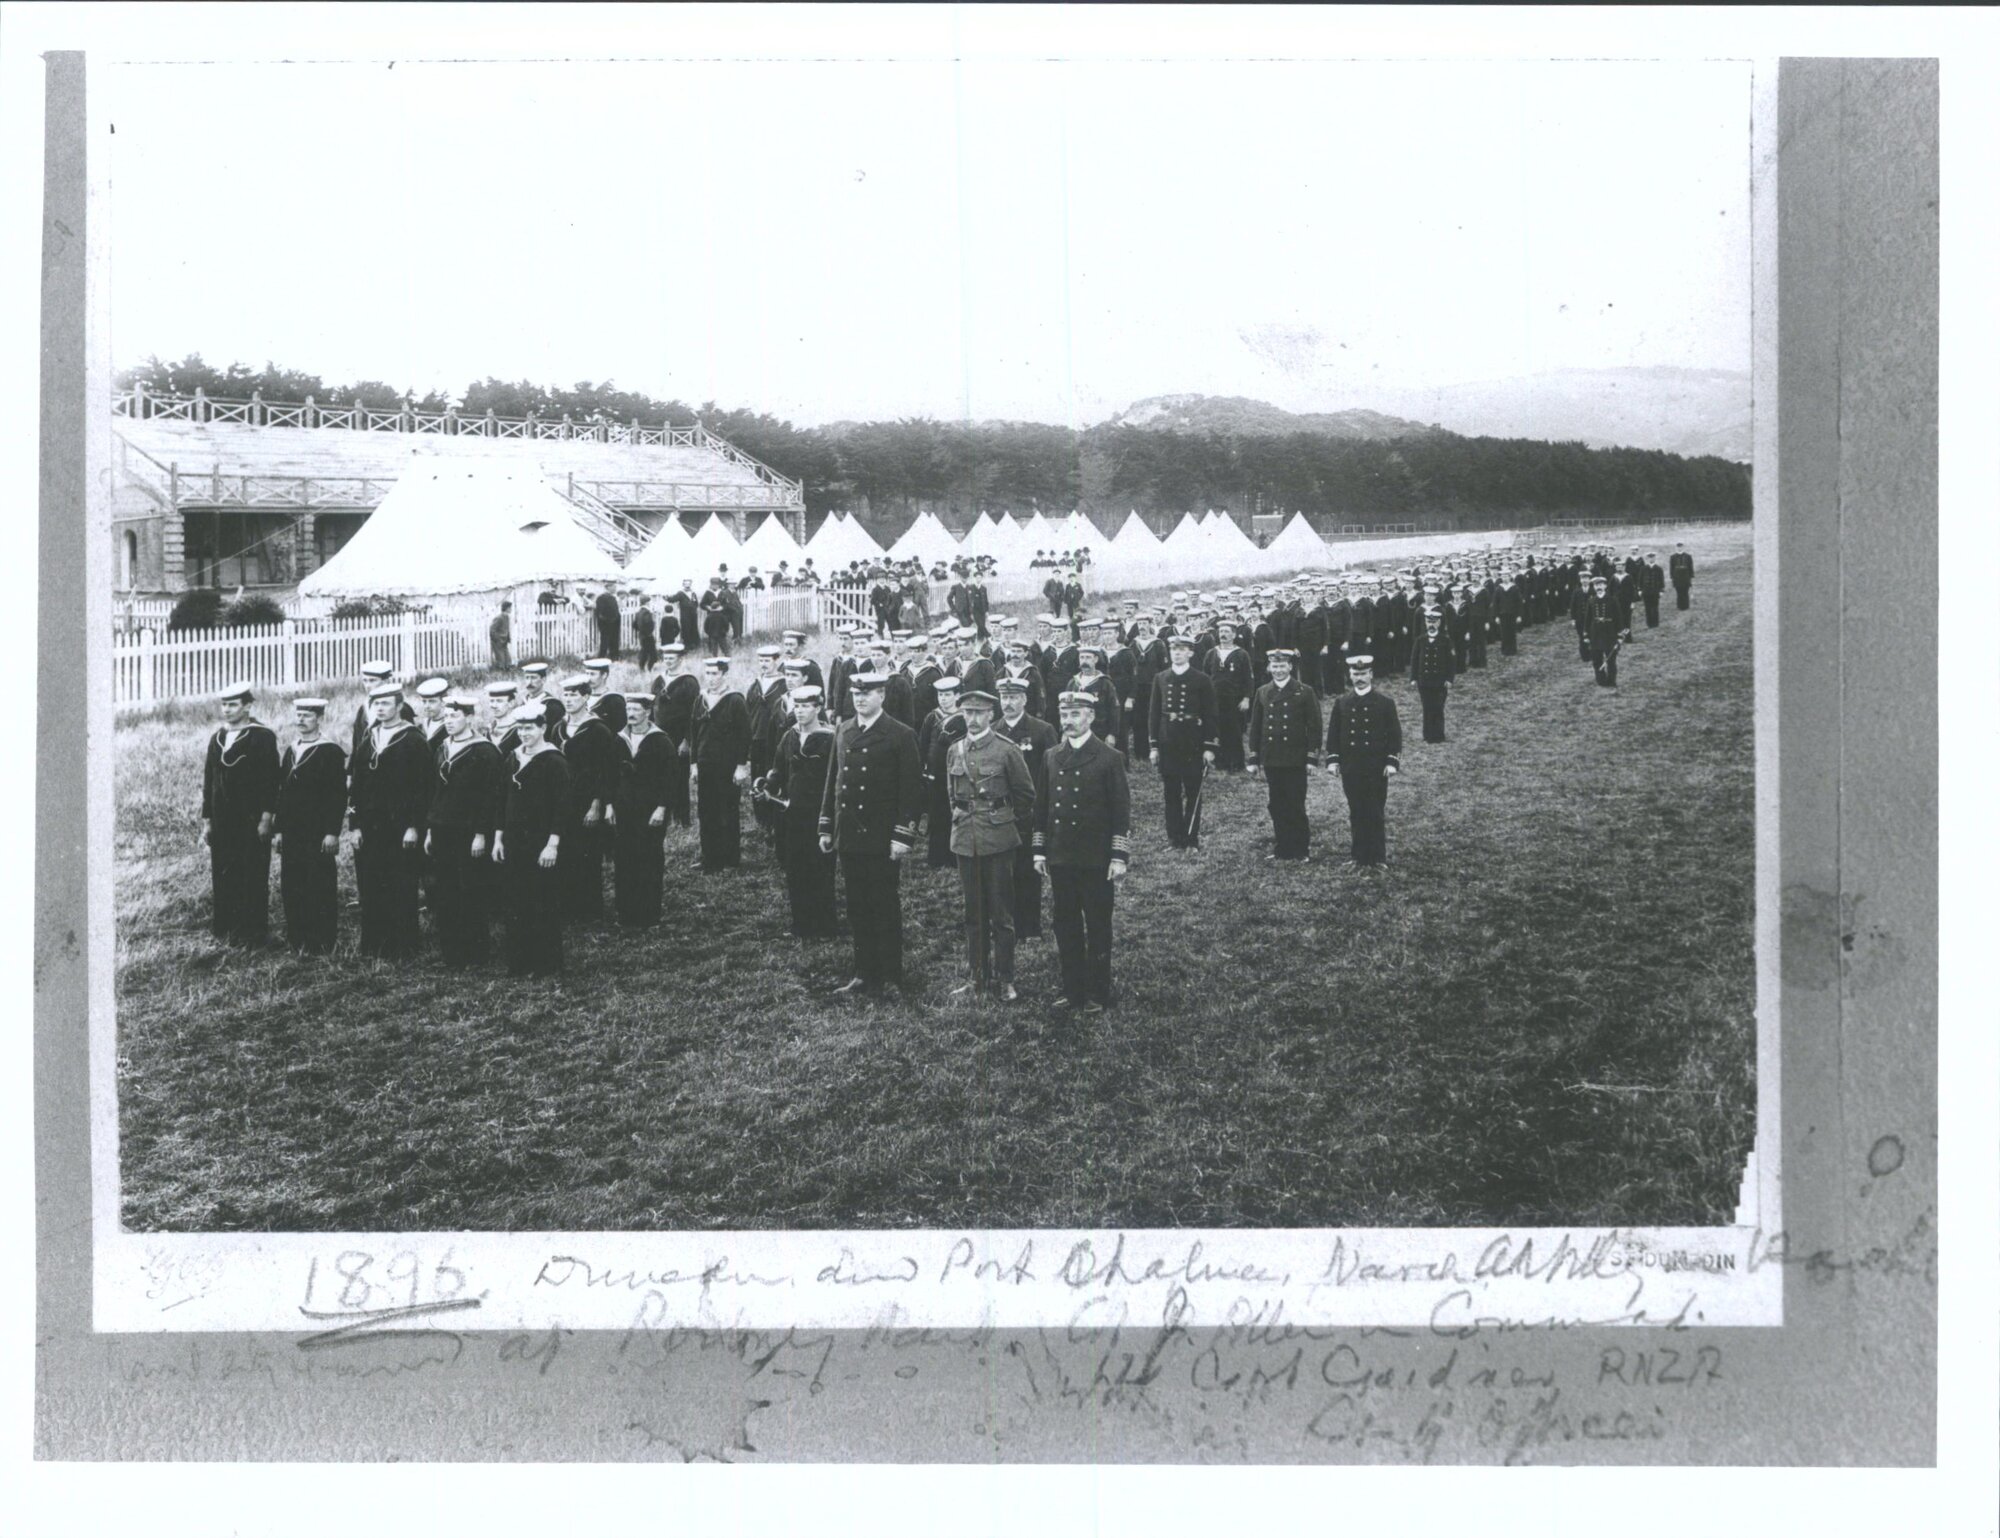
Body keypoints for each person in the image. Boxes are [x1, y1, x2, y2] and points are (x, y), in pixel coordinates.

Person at [819, 668, 924, 997]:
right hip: (850, 832)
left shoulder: (900, 734)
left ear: (882, 696)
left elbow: (911, 791)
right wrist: (826, 824)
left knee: (884, 904)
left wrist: (902, 835)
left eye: (867, 693)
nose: (860, 699)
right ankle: (864, 973)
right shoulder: (845, 730)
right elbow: (833, 781)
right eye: (855, 694)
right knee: (856, 905)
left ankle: (891, 974)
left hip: (881, 835)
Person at [1035, 691, 1132, 1014]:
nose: (1069, 722)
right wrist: (1039, 850)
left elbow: (1121, 812)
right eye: (1064, 715)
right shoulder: (1051, 756)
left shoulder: (1108, 757)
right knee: (1065, 924)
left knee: (1098, 923)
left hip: (1095, 859)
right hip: (1061, 855)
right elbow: (1042, 806)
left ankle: (1097, 992)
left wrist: (1118, 857)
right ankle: (1071, 988)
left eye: (1076, 715)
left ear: (1091, 716)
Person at [946, 690, 1037, 1002]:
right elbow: (952, 795)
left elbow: (1026, 795)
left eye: (978, 713)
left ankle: (1006, 978)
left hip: (998, 841)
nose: (972, 719)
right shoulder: (955, 749)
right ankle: (977, 976)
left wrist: (1005, 822)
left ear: (990, 715)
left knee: (1001, 915)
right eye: (967, 713)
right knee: (974, 914)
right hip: (965, 841)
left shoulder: (1006, 750)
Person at [349, 679, 434, 957]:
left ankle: (402, 946)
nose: (380, 709)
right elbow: (357, 788)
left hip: (400, 827)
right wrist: (355, 826)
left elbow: (423, 789)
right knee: (373, 885)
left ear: (399, 706)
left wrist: (413, 826)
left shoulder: (413, 740)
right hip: (371, 827)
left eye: (386, 703)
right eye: (376, 704)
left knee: (400, 884)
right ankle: (375, 945)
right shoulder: (368, 740)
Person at [199, 679, 281, 945]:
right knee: (224, 871)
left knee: (252, 873)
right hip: (223, 822)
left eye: (233, 704)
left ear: (247, 707)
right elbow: (209, 781)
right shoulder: (218, 739)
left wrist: (266, 817)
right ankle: (226, 927)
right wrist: (208, 821)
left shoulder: (262, 737)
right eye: (224, 704)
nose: (227, 710)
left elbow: (271, 780)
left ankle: (253, 931)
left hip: (250, 819)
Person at [426, 693, 503, 967]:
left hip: (470, 834)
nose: (449, 721)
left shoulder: (485, 751)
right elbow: (435, 791)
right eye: (446, 716)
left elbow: (491, 798)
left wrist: (482, 834)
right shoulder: (442, 748)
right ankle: (452, 952)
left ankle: (476, 952)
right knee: (445, 890)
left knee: (470, 889)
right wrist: (429, 830)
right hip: (442, 829)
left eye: (455, 716)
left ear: (469, 717)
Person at [493, 703, 568, 978]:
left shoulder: (554, 761)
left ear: (543, 728)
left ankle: (545, 963)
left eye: (529, 728)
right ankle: (519, 961)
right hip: (514, 840)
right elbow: (501, 800)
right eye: (520, 728)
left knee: (541, 900)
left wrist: (553, 844)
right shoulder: (512, 758)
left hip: (541, 841)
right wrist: (498, 839)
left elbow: (562, 807)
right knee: (515, 900)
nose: (524, 734)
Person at [272, 696, 345, 954]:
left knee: (319, 885)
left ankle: (322, 942)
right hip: (292, 831)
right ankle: (297, 938)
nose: (301, 720)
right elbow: (282, 792)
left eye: (307, 716)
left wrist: (331, 832)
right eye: (298, 715)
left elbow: (337, 796)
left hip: (317, 832)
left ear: (319, 719)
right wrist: (278, 829)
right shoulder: (292, 750)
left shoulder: (330, 751)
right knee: (293, 884)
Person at [770, 685, 839, 939]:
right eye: (796, 706)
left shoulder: (829, 738)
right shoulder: (789, 736)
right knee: (795, 868)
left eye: (806, 706)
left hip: (819, 814)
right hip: (792, 813)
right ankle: (801, 923)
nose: (799, 712)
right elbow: (778, 768)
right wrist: (769, 785)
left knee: (820, 868)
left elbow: (835, 779)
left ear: (818, 707)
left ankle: (824, 926)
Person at [994, 675, 1057, 940]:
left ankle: (1030, 927)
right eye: (1004, 698)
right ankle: (1003, 925)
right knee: (1000, 871)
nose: (1007, 703)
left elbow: (1053, 772)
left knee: (1027, 870)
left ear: (1024, 700)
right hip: (998, 811)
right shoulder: (992, 730)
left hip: (1029, 811)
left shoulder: (1042, 730)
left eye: (1013, 698)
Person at [1325, 654, 1402, 868]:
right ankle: (1358, 856)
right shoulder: (1342, 703)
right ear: (1350, 675)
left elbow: (1394, 735)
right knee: (1356, 810)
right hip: (1351, 767)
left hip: (1376, 767)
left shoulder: (1385, 703)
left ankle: (1377, 858)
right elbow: (1334, 734)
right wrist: (1333, 760)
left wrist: (1391, 761)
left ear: (1371, 675)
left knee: (1375, 810)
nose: (1359, 678)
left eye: (1363, 674)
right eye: (1355, 674)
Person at [1247, 648, 1323, 861]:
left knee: (1295, 803)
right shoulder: (1262, 691)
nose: (1278, 670)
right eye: (1274, 665)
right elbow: (1256, 726)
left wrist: (1312, 758)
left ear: (1290, 666)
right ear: (1269, 667)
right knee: (1277, 804)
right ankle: (1283, 848)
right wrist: (1254, 758)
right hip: (1272, 758)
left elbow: (1315, 726)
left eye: (1282, 665)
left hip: (1295, 757)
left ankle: (1300, 850)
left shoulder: (1304, 691)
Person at [554, 675, 618, 922]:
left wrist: (597, 804)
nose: (569, 700)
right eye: (566, 695)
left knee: (587, 854)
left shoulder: (598, 729)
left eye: (574, 695)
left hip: (587, 800)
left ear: (586, 697)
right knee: (565, 852)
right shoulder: (558, 728)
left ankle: (590, 910)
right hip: (563, 799)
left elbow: (606, 770)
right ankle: (568, 906)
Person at [1150, 633, 1218, 850]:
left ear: (1190, 652)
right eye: (1173, 649)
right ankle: (1175, 839)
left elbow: (1211, 714)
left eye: (1181, 649)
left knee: (1192, 791)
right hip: (1168, 741)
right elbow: (1153, 714)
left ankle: (1191, 838)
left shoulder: (1201, 679)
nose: (1177, 653)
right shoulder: (1160, 678)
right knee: (1171, 792)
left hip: (1192, 742)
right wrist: (1153, 746)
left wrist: (1209, 747)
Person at [614, 694, 672, 928]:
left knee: (648, 859)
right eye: (628, 709)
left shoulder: (660, 740)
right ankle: (626, 914)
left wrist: (661, 808)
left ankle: (649, 916)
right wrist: (610, 805)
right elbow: (610, 774)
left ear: (647, 712)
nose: (631, 714)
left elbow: (670, 778)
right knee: (625, 859)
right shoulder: (619, 739)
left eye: (636, 709)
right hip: (625, 809)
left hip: (650, 810)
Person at [690, 656, 752, 870]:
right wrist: (693, 764)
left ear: (725, 674)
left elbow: (745, 734)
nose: (711, 678)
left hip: (727, 767)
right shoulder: (701, 699)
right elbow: (694, 732)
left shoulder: (735, 700)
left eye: (715, 673)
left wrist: (741, 765)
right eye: (707, 673)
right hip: (705, 764)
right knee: (706, 811)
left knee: (727, 811)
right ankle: (710, 857)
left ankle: (730, 860)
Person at [919, 674, 966, 868]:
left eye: (947, 695)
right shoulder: (932, 717)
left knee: (955, 812)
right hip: (935, 774)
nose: (943, 699)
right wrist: (923, 767)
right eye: (940, 695)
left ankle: (955, 854)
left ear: (957, 696)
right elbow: (922, 744)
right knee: (937, 814)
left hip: (957, 773)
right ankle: (937, 856)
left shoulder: (963, 718)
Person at [651, 642, 698, 828]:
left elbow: (693, 714)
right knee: (661, 775)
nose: (668, 662)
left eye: (672, 658)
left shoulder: (689, 682)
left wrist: (687, 740)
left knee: (679, 776)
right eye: (666, 658)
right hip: (661, 735)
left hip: (679, 736)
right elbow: (651, 707)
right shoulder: (659, 681)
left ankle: (682, 818)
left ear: (681, 659)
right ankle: (665, 815)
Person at [1205, 622, 1254, 772]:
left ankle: (1236, 763)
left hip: (1234, 700)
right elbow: (1205, 676)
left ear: (1233, 635)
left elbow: (1249, 679)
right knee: (1217, 730)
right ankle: (1220, 762)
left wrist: (1246, 698)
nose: (1223, 635)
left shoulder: (1241, 654)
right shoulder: (1211, 653)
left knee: (1234, 731)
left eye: (1227, 632)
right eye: (1221, 632)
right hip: (1215, 699)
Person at [1410, 605, 1458, 744]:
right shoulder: (1420, 640)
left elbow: (1451, 662)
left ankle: (1438, 735)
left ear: (1439, 623)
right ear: (1425, 623)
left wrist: (1450, 679)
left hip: (1440, 681)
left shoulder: (1446, 640)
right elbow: (1414, 660)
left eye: (1434, 622)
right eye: (1429, 622)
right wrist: (1413, 678)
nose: (1431, 624)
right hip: (1424, 680)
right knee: (1426, 707)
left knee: (1438, 707)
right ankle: (1428, 735)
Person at [1586, 574, 1624, 687]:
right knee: (1597, 659)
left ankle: (1611, 681)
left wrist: (1620, 635)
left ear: (1605, 586)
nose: (1599, 587)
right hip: (1595, 634)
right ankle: (1601, 681)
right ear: (1594, 587)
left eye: (1601, 584)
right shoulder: (1591, 601)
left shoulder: (1612, 600)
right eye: (1596, 585)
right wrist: (1586, 635)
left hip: (1609, 633)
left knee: (1611, 660)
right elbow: (1587, 619)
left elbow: (1619, 618)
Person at [593, 586, 623, 660]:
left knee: (614, 640)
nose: (615, 589)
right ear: (608, 588)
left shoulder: (613, 598)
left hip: (615, 623)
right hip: (606, 624)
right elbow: (600, 613)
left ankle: (614, 656)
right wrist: (608, 620)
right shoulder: (601, 598)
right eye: (613, 587)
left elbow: (615, 610)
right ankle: (602, 657)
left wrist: (616, 619)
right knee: (605, 640)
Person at [634, 597, 659, 671]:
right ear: (647, 603)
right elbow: (648, 623)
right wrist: (648, 632)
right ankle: (648, 668)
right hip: (647, 635)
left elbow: (634, 624)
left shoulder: (639, 612)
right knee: (653, 655)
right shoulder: (647, 612)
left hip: (642, 635)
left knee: (645, 652)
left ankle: (642, 668)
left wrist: (640, 631)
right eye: (649, 602)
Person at [1669, 542, 1695, 610]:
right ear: (1676, 548)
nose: (1679, 548)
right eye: (1678, 547)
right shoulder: (1673, 557)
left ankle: (1686, 606)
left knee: (1685, 592)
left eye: (1681, 547)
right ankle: (1680, 606)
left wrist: (1691, 576)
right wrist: (1672, 577)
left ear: (1683, 547)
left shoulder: (1688, 556)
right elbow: (1671, 568)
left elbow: (1690, 567)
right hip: (1677, 578)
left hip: (1685, 577)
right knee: (1679, 592)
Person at [489, 601, 513, 670]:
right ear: (506, 608)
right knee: (501, 660)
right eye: (510, 608)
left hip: (504, 642)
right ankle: (500, 673)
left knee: (508, 660)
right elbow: (492, 630)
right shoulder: (499, 618)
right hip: (497, 642)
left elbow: (506, 629)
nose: (511, 609)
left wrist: (507, 639)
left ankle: (507, 671)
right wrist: (498, 639)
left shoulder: (507, 617)